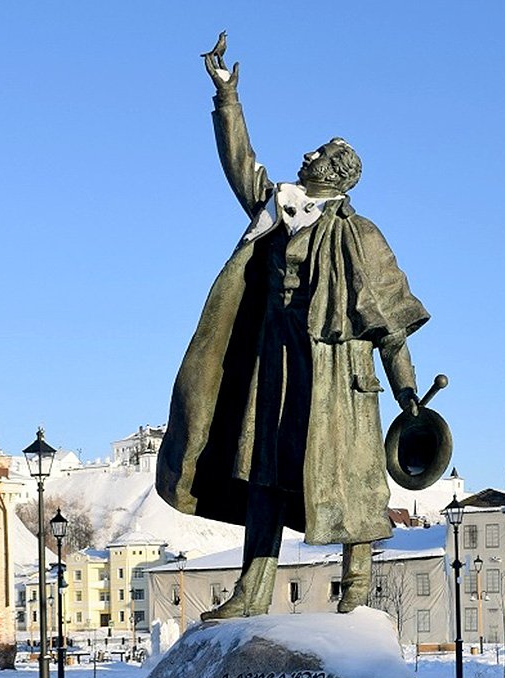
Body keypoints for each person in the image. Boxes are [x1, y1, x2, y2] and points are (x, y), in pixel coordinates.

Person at [156, 35, 428, 618]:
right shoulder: (278, 208)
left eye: (319, 153)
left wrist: (407, 392)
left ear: (337, 173)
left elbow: (390, 325)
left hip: (340, 371)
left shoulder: (362, 235)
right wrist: (227, 97)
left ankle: (355, 599)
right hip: (274, 359)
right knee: (264, 471)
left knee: (352, 482)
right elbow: (241, 166)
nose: (305, 154)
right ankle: (251, 592)